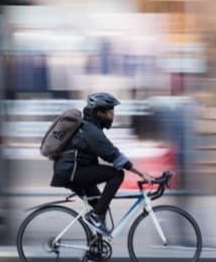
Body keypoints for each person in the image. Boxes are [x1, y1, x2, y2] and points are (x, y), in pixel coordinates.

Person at [50, 92, 153, 236]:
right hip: (71, 172)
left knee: (100, 205)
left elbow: (110, 152)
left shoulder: (90, 128)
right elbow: (113, 155)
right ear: (99, 113)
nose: (113, 116)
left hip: (72, 171)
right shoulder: (90, 131)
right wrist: (141, 173)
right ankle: (96, 217)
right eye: (110, 112)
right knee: (117, 174)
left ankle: (95, 251)